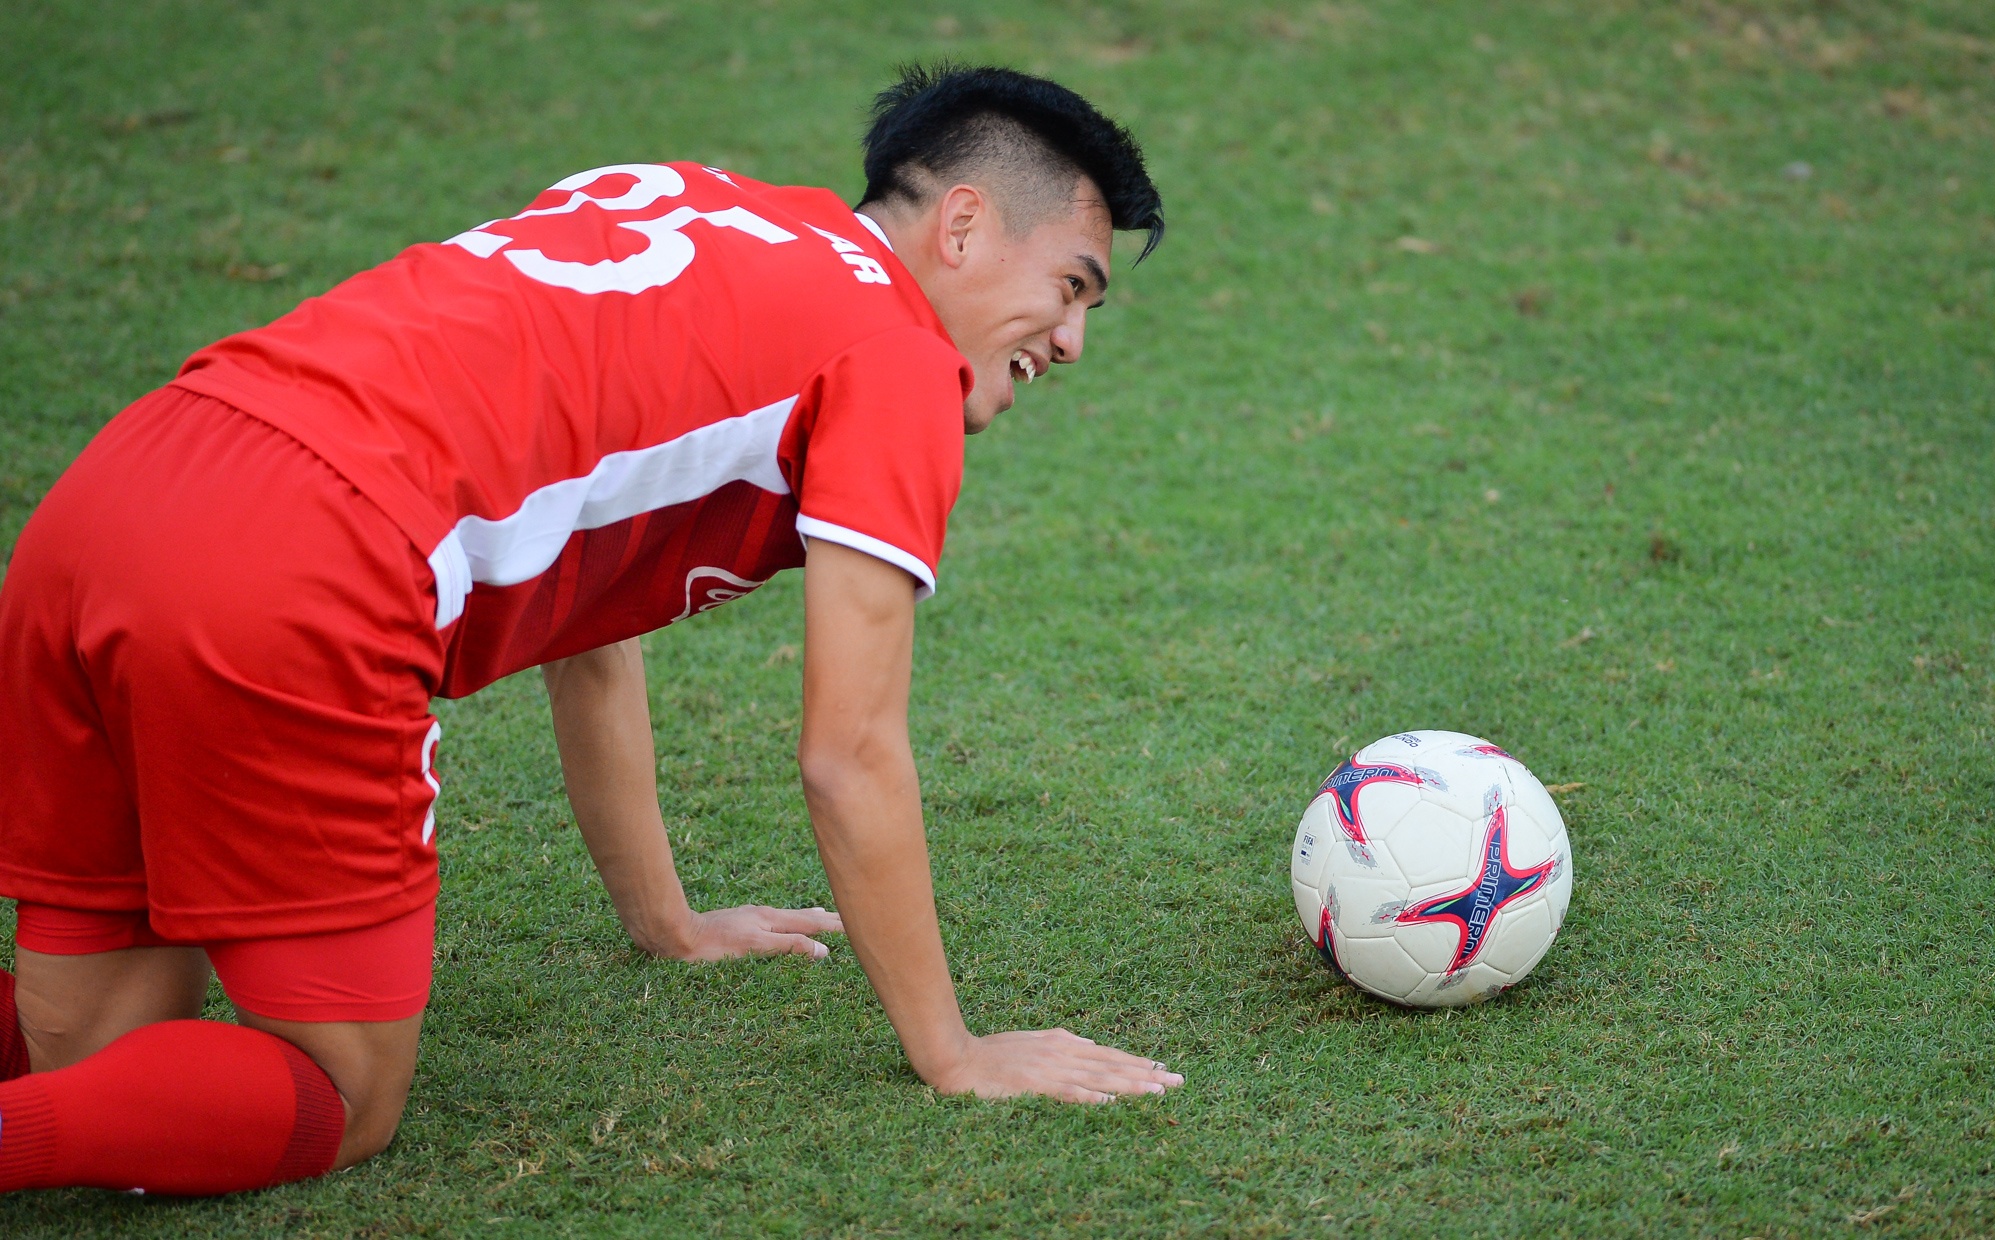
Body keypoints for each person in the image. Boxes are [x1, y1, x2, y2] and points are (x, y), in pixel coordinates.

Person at [0, 63, 1181, 1197]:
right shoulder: (894, 357)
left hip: (120, 488)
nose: (1070, 341)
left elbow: (588, 619)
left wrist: (662, 917)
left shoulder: (690, 194)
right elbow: (850, 751)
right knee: (342, 1094)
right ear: (961, 225)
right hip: (304, 567)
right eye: (1072, 286)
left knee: (95, 1055)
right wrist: (952, 1049)